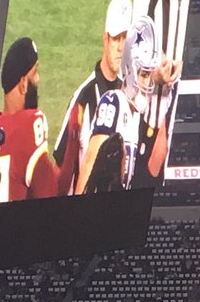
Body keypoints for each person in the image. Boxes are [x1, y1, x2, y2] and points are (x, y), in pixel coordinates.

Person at [77, 16, 180, 193]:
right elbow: (89, 165)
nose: (148, 84)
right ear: (129, 70)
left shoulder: (136, 118)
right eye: (144, 75)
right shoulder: (113, 103)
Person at [53, 0, 131, 195]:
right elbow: (60, 165)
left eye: (125, 38)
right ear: (105, 39)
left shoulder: (128, 94)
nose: (120, 47)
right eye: (115, 39)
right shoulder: (84, 97)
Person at [0, 37, 60, 203]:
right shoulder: (29, 125)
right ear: (23, 84)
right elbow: (50, 191)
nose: (38, 79)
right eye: (35, 73)